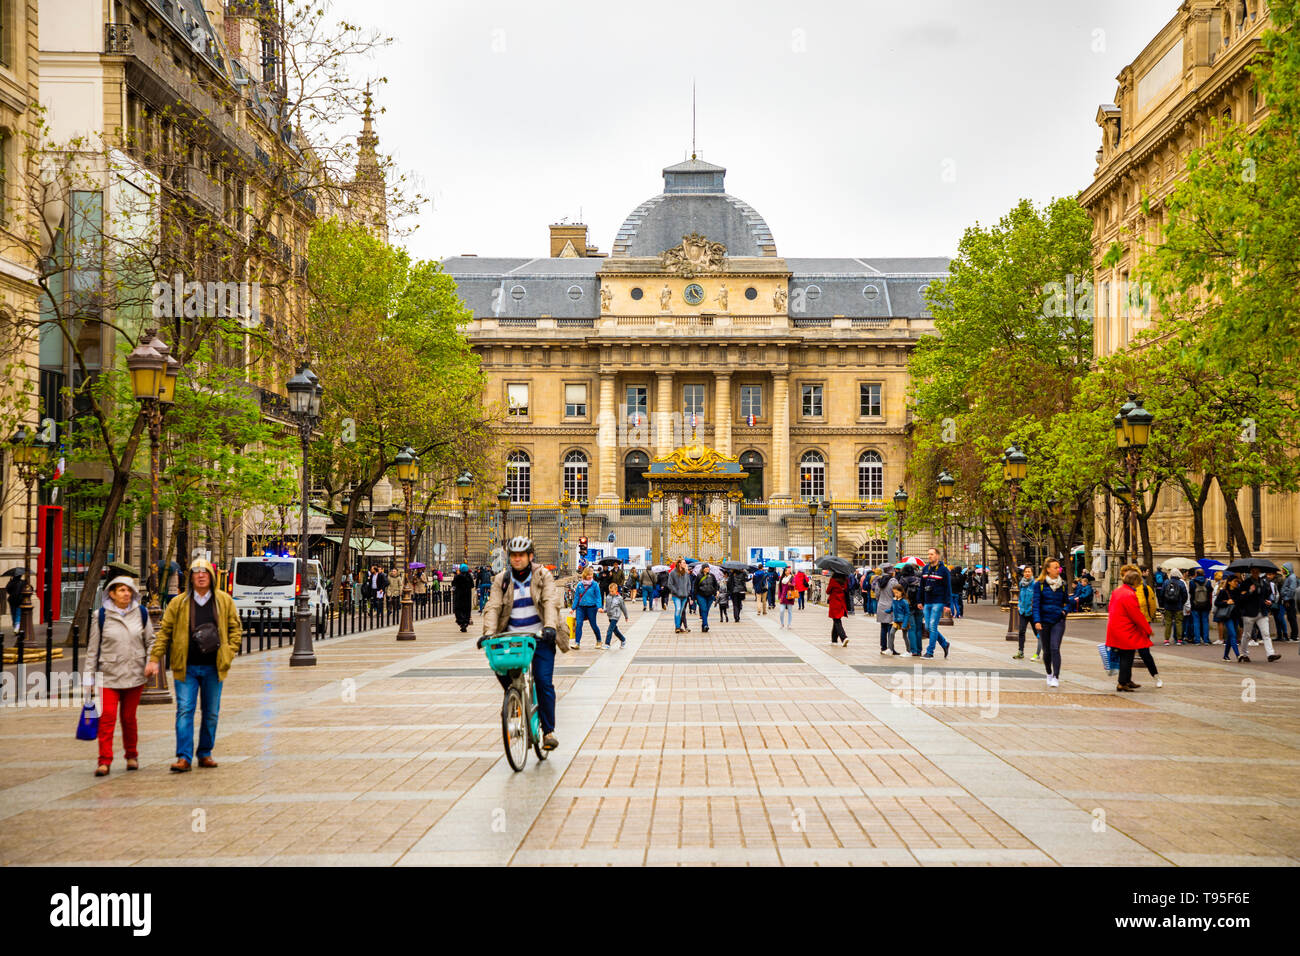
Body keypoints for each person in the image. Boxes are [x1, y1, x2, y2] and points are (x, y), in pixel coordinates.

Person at [147, 558, 242, 772]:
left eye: (205, 572)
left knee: (211, 712)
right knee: (185, 710)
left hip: (213, 667)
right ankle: (184, 757)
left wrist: (229, 651)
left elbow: (236, 629)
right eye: (196, 572)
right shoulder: (178, 603)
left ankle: (205, 752)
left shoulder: (224, 601)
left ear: (211, 576)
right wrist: (154, 659)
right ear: (190, 577)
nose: (201, 576)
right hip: (186, 666)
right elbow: (165, 633)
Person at [481, 537, 563, 751]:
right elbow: (493, 607)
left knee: (544, 682)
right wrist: (489, 633)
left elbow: (550, 602)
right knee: (500, 668)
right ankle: (514, 702)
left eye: (521, 555)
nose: (517, 559)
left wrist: (550, 627)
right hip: (512, 639)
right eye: (513, 556)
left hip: (539, 637)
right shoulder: (502, 579)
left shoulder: (542, 575)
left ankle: (548, 731)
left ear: (530, 556)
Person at [84, 574, 155, 775]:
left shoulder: (141, 612)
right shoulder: (101, 616)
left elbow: (151, 641)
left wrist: (151, 661)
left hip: (134, 673)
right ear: (112, 594)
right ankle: (104, 760)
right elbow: (93, 649)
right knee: (107, 717)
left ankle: (131, 755)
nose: (126, 593)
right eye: (121, 590)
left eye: (128, 590)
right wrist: (88, 678)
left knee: (128, 717)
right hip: (109, 674)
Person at [1106, 567, 1160, 692]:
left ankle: (1127, 680)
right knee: (1127, 656)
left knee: (1125, 655)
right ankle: (1122, 682)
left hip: (1115, 628)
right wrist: (1147, 629)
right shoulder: (1130, 594)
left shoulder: (1118, 591)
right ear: (1135, 581)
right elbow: (1136, 615)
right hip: (1126, 630)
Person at [1031, 558, 1071, 688]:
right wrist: (1037, 621)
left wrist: (1065, 611)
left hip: (1058, 620)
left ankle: (1056, 676)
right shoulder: (1040, 584)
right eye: (1055, 567)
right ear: (1048, 569)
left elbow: (1067, 602)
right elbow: (1035, 604)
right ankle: (1048, 673)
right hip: (1044, 621)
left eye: (1058, 567)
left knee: (1055, 648)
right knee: (1047, 651)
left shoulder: (1063, 584)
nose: (1058, 570)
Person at [1237, 567, 1281, 662]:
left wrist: (1267, 601)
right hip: (1249, 613)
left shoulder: (1263, 582)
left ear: (1260, 572)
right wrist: (1250, 591)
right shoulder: (1246, 583)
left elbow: (1264, 595)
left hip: (1262, 611)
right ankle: (1244, 654)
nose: (1255, 573)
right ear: (1251, 572)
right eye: (1253, 571)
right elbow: (1241, 598)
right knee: (1247, 635)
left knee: (1266, 633)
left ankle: (1270, 654)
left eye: (1257, 571)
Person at [920, 548, 951, 658]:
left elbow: (948, 588)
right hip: (927, 601)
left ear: (937, 556)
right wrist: (920, 600)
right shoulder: (925, 569)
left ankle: (930, 652)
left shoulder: (943, 570)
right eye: (928, 554)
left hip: (938, 601)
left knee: (932, 626)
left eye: (932, 554)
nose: (929, 556)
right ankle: (944, 643)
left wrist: (948, 604)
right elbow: (921, 586)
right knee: (928, 627)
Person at [571, 566, 604, 648]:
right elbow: (577, 597)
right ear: (585, 575)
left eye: (591, 574)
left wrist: (599, 607)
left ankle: (599, 640)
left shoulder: (595, 585)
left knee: (593, 625)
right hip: (580, 608)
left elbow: (598, 597)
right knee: (579, 624)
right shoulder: (579, 585)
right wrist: (573, 608)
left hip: (591, 608)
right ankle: (577, 643)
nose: (590, 576)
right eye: (589, 574)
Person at [1214, 572, 1243, 661]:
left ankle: (1225, 656)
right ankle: (1238, 655)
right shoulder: (1223, 592)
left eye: (1237, 582)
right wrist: (1226, 602)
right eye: (1235, 581)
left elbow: (1241, 603)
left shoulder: (1238, 591)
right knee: (1233, 634)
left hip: (1236, 616)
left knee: (1231, 636)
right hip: (1227, 616)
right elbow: (1216, 603)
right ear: (1229, 582)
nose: (1236, 583)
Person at [1158, 568, 1188, 646]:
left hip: (1168, 606)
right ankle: (1179, 640)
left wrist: (1163, 604)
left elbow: (1162, 594)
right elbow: (1185, 595)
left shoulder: (1166, 582)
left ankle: (1166, 640)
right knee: (1178, 623)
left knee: (1168, 623)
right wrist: (1182, 603)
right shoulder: (1181, 583)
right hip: (1178, 606)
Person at [1012, 565, 1037, 660]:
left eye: (1029, 571)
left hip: (1032, 612)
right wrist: (1019, 605)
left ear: (1032, 573)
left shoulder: (1035, 584)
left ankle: (1044, 650)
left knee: (1037, 632)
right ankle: (1020, 651)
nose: (1027, 573)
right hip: (1023, 611)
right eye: (1026, 571)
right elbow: (1020, 596)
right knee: (1021, 632)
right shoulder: (1021, 583)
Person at [875, 571, 900, 654]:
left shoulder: (879, 581)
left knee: (883, 628)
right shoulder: (893, 582)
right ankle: (891, 648)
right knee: (890, 628)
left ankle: (883, 647)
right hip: (891, 606)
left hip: (881, 606)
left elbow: (877, 595)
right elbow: (897, 594)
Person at [1186, 568, 1213, 646]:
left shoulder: (1192, 582)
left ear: (1196, 574)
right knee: (1205, 622)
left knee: (1196, 622)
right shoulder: (1208, 582)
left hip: (1195, 605)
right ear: (1203, 574)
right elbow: (1210, 591)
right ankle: (1206, 640)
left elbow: (1191, 592)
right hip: (1206, 605)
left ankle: (1197, 640)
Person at [666, 559, 693, 633]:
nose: (685, 564)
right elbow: (670, 584)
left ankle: (679, 626)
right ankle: (677, 627)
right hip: (676, 596)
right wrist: (676, 591)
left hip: (684, 595)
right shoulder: (673, 573)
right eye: (684, 563)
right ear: (679, 564)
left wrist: (687, 592)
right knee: (678, 609)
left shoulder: (686, 573)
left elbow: (689, 584)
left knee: (681, 611)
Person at [694, 564, 719, 632]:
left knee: (706, 610)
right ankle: (706, 625)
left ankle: (703, 625)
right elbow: (695, 586)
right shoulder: (699, 576)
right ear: (703, 568)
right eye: (706, 567)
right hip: (701, 595)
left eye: (708, 567)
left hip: (710, 596)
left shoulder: (712, 576)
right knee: (704, 609)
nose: (708, 568)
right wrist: (694, 597)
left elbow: (715, 585)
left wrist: (715, 592)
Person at [602, 582, 628, 648]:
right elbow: (607, 607)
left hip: (616, 616)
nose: (611, 592)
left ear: (616, 590)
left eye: (612, 591)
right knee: (615, 630)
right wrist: (604, 610)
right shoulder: (608, 597)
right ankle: (623, 639)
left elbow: (623, 607)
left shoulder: (619, 598)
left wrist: (626, 616)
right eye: (610, 591)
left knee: (609, 630)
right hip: (610, 616)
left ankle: (607, 644)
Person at [451, 563, 474, 632]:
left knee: (459, 608)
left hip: (459, 595)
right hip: (467, 596)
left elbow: (453, 584)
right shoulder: (469, 576)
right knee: (466, 609)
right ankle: (466, 622)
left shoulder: (458, 577)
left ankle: (461, 622)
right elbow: (472, 585)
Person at [889, 584, 912, 652]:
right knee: (891, 633)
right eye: (894, 593)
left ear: (901, 592)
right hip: (896, 620)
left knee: (904, 636)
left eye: (897, 593)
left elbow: (907, 613)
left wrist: (905, 623)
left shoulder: (904, 602)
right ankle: (890, 649)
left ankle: (908, 651)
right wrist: (889, 610)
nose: (895, 594)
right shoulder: (894, 600)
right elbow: (892, 607)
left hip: (903, 621)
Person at [827, 573, 848, 645]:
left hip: (834, 602)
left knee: (837, 621)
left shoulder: (833, 580)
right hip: (841, 602)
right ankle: (834, 640)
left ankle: (844, 637)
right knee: (836, 620)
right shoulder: (844, 580)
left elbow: (828, 591)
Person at [1281, 563, 1299, 644]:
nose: (1282, 570)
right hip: (1288, 600)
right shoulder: (1289, 577)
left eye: (1283, 569)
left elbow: (1292, 590)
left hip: (1290, 600)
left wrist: (1287, 599)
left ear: (1287, 569)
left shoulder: (1291, 577)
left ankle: (1294, 637)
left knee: (1292, 618)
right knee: (1290, 618)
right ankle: (1293, 636)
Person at [5, 569, 24, 636]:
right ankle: (16, 628)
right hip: (19, 600)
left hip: (12, 600)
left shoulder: (11, 582)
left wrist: (10, 581)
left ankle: (15, 627)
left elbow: (8, 590)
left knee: (13, 614)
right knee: (18, 614)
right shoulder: (23, 582)